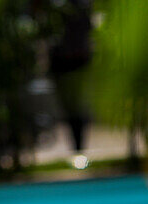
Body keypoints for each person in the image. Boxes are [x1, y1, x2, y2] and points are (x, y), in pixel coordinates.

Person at [48, 0, 93, 152]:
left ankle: (79, 146)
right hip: (62, 62)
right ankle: (76, 146)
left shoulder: (81, 6)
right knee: (69, 107)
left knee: (79, 106)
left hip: (78, 60)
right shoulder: (56, 7)